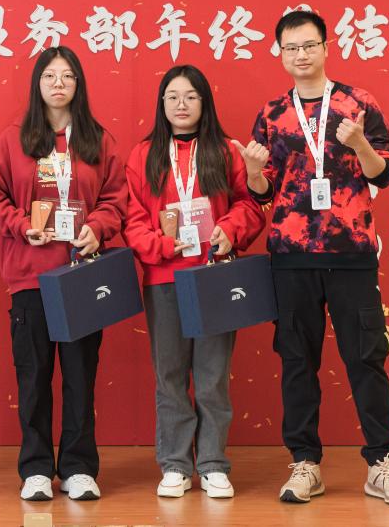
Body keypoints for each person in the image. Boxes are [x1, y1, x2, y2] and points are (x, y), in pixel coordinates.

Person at [232, 10, 389, 505]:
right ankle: (305, 463)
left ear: (326, 47)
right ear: (280, 53)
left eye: (309, 45)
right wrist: (253, 171)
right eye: (291, 47)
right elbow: (264, 190)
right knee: (297, 361)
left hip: (351, 252)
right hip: (291, 255)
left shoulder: (358, 103)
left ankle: (380, 464)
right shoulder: (272, 113)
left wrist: (359, 144)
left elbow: (384, 175)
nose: (301, 54)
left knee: (367, 358)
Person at [0, 46, 126, 502]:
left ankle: (79, 468)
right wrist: (23, 226)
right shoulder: (14, 139)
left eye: (67, 76)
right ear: (37, 84)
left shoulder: (97, 140)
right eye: (49, 76)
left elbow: (117, 198)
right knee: (34, 378)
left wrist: (98, 228)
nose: (58, 84)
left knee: (81, 377)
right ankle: (37, 469)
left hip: (81, 276)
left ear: (79, 84)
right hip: (30, 277)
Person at [123, 64, 265, 499]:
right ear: (161, 104)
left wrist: (230, 230)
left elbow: (250, 204)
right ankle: (175, 465)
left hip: (212, 276)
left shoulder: (225, 151)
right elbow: (132, 220)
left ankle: (213, 463)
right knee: (169, 375)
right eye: (172, 97)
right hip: (164, 278)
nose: (181, 105)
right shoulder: (143, 155)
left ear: (205, 102)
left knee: (212, 375)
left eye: (190, 96)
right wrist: (163, 246)